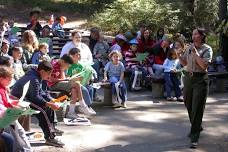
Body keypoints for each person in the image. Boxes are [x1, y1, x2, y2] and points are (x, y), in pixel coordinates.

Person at [11, 61, 65, 147]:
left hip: (27, 98)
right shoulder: (34, 79)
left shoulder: (37, 76)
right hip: (19, 100)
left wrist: (51, 100)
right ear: (42, 71)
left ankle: (52, 129)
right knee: (43, 111)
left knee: (48, 107)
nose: (49, 76)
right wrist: (48, 103)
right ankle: (50, 138)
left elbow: (41, 92)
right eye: (48, 74)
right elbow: (35, 97)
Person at [179, 28, 213, 148]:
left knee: (197, 108)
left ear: (201, 36)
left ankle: (194, 137)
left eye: (195, 34)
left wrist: (195, 53)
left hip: (200, 79)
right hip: (188, 78)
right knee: (188, 104)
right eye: (192, 34)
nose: (193, 36)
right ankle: (197, 126)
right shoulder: (189, 47)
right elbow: (185, 64)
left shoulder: (207, 49)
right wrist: (178, 55)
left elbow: (203, 66)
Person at [67, 48, 96, 114]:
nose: (80, 56)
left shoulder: (81, 65)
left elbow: (83, 76)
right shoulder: (70, 66)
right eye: (78, 55)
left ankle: (86, 106)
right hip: (73, 83)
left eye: (80, 55)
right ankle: (85, 107)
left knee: (90, 88)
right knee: (84, 89)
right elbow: (68, 77)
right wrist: (75, 78)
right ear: (72, 56)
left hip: (81, 82)